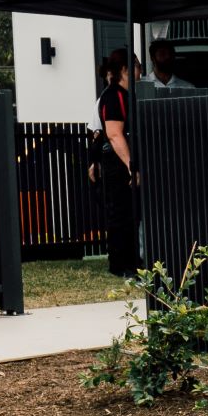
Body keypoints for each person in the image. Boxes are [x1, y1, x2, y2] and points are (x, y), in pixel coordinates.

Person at [92, 49, 141, 277]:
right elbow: (113, 133)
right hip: (116, 162)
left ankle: (131, 261)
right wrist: (131, 164)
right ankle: (121, 265)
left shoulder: (123, 94)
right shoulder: (114, 96)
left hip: (119, 161)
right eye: (138, 66)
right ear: (125, 70)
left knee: (130, 213)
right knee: (121, 214)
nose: (140, 72)